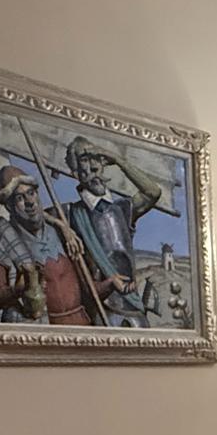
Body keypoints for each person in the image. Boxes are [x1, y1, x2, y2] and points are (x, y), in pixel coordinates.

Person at [0, 165, 92, 325]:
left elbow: (87, 287)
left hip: (81, 325)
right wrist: (19, 289)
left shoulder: (63, 230)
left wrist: (112, 283)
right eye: (20, 198)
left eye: (31, 193)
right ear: (9, 206)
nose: (30, 202)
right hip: (41, 332)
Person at [65, 136, 162, 324]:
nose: (93, 167)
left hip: (133, 308)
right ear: (75, 173)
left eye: (96, 158)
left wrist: (119, 160)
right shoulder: (71, 213)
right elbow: (37, 217)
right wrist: (64, 227)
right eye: (85, 160)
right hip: (103, 311)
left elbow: (153, 192)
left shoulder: (122, 209)